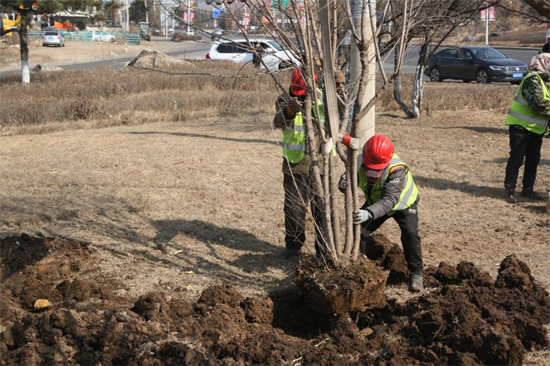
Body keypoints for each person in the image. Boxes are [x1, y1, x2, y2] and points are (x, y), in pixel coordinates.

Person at [352, 135, 423, 292]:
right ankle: (359, 266)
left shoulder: (396, 169)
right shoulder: (358, 161)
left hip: (402, 204)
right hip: (376, 202)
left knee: (410, 233)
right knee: (357, 231)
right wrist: (345, 183)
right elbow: (351, 182)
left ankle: (416, 273)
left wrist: (368, 213)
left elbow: (390, 200)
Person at [273, 68, 328, 259]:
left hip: (320, 163)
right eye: (299, 93)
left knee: (321, 208)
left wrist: (338, 90)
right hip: (295, 164)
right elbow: (278, 122)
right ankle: (294, 244)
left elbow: (339, 114)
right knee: (293, 208)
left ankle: (323, 248)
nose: (302, 97)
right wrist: (289, 110)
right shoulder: (284, 98)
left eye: (305, 94)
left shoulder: (324, 96)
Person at [504, 53, 550, 203]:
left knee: (533, 160)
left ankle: (528, 190)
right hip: (521, 127)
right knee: (517, 159)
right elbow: (539, 105)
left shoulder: (545, 82)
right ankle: (510, 190)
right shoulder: (532, 80)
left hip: (536, 129)